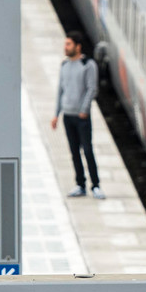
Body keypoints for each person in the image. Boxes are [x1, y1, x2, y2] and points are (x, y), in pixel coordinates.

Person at [50, 31, 104, 200]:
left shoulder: (88, 65)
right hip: (68, 115)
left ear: (77, 46)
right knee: (74, 151)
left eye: (68, 44)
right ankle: (80, 184)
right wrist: (56, 114)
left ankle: (95, 185)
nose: (65, 47)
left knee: (87, 150)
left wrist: (84, 109)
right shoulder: (64, 65)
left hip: (81, 117)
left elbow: (92, 88)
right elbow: (60, 90)